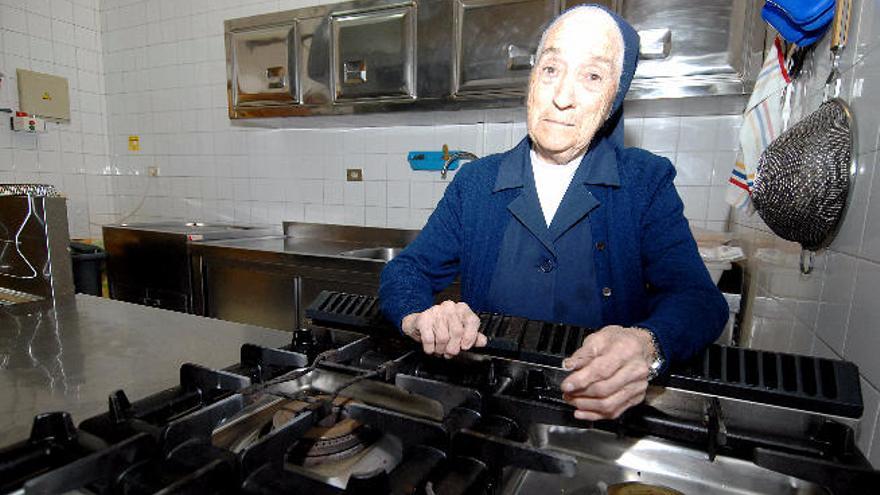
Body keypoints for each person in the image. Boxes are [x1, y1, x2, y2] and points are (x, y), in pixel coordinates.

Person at [379, 4, 728, 421]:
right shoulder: (475, 183)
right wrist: (422, 318)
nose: (562, 97)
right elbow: (406, 271)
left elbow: (699, 300)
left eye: (592, 76)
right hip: (488, 408)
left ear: (614, 96)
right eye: (550, 69)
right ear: (532, 79)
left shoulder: (643, 182)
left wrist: (647, 343)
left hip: (597, 419)